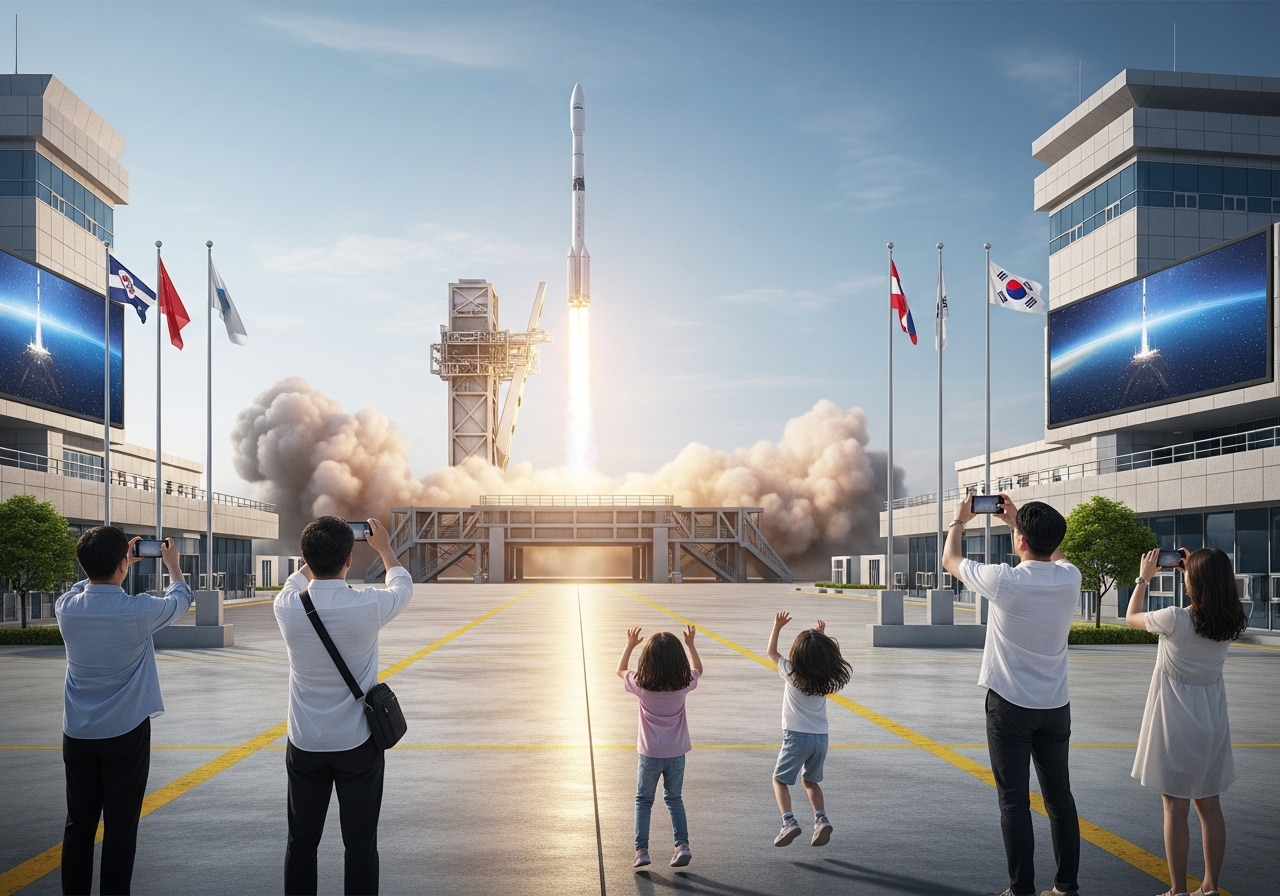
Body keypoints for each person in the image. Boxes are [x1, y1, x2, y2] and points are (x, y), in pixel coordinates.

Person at [942, 496, 1082, 896]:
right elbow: (1052, 552)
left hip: (1010, 708)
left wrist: (959, 519)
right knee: (1060, 798)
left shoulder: (1006, 581)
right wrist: (1019, 521)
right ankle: (1065, 887)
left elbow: (950, 560)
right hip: (1056, 707)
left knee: (1014, 803)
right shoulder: (1070, 577)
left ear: (1020, 541)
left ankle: (1021, 889)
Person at [274, 516, 412, 896]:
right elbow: (402, 584)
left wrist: (316, 553)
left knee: (301, 843)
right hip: (357, 744)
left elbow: (297, 579)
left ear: (303, 557)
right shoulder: (367, 605)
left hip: (305, 744)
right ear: (350, 559)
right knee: (360, 844)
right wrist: (384, 547)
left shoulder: (285, 607)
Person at [56, 528, 193, 895]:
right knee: (120, 827)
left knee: (78, 826)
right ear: (123, 564)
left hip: (78, 734)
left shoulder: (65, 608)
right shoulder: (138, 611)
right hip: (125, 734)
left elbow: (82, 585)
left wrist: (111, 565)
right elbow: (180, 600)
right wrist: (173, 567)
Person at [1126, 547, 1246, 896]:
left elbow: (1131, 615)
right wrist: (1194, 568)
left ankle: (1177, 889)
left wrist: (1143, 578)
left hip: (1175, 717)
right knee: (1209, 806)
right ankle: (1209, 887)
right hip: (1212, 717)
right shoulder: (1230, 619)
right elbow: (1207, 599)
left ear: (1194, 581)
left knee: (1175, 807)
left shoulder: (1174, 618)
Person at [616, 625, 702, 870]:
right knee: (674, 799)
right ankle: (682, 845)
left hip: (650, 754)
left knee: (644, 801)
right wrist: (691, 645)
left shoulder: (641, 685)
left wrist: (630, 645)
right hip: (676, 754)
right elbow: (698, 670)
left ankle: (641, 850)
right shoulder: (684, 684)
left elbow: (620, 670)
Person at [765, 611, 851, 848]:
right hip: (821, 739)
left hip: (796, 736)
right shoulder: (824, 677)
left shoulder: (791, 672)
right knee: (810, 781)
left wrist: (777, 626)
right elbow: (821, 659)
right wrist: (821, 637)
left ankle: (788, 821)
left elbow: (771, 652)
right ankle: (821, 818)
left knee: (779, 780)